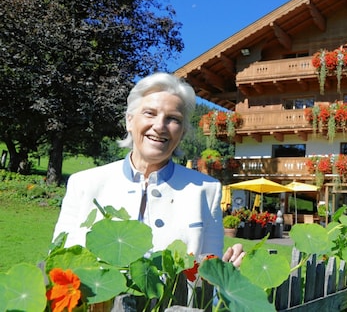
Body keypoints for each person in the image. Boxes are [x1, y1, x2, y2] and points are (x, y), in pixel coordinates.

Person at [52, 72, 245, 266]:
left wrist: (224, 271)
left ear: (183, 132)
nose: (160, 126)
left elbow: (207, 273)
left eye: (173, 119)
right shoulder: (84, 184)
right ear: (129, 120)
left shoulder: (206, 190)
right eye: (150, 113)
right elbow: (61, 260)